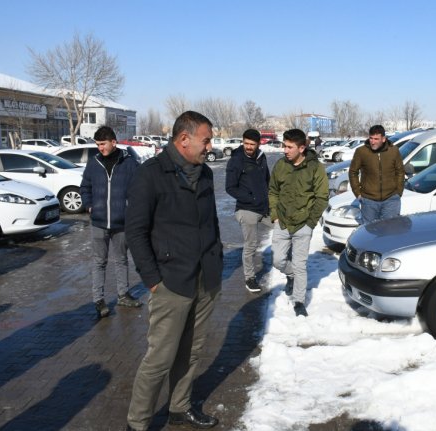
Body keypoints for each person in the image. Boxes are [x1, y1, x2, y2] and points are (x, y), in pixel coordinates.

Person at [125, 111, 223, 431]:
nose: (210, 146)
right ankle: (137, 423)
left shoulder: (205, 174)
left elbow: (211, 224)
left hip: (204, 278)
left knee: (192, 352)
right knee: (160, 359)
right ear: (184, 140)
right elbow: (136, 232)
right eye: (206, 140)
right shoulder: (150, 175)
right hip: (170, 282)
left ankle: (179, 408)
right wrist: (153, 280)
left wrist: (216, 262)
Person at [80, 125, 141, 318]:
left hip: (121, 223)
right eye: (97, 144)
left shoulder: (129, 164)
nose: (100, 148)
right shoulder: (93, 163)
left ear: (113, 142)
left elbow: (140, 189)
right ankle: (98, 300)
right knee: (99, 262)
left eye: (102, 144)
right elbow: (85, 187)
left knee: (122, 260)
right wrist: (89, 205)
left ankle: (123, 294)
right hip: (98, 223)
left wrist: (132, 210)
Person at [269, 128, 328, 317]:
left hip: (303, 224)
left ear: (301, 148)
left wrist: (311, 222)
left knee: (300, 264)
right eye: (283, 146)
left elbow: (322, 197)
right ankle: (291, 275)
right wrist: (275, 216)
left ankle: (299, 301)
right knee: (278, 260)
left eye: (289, 147)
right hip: (283, 222)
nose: (284, 150)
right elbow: (273, 191)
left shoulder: (315, 168)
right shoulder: (280, 165)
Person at [225, 128, 271, 293]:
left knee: (283, 229)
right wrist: (250, 198)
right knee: (251, 245)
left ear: (258, 144)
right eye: (246, 143)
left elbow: (267, 180)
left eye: (252, 144)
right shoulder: (236, 160)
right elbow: (230, 187)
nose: (249, 147)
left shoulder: (261, 157)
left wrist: (269, 200)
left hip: (264, 208)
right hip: (246, 209)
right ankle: (250, 278)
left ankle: (287, 266)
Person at [348, 124, 405, 225]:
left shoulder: (393, 151)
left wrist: (398, 192)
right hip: (369, 201)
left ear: (383, 139)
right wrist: (358, 193)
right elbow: (353, 172)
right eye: (371, 138)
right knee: (369, 234)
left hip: (391, 200)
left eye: (376, 139)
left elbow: (400, 171)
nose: (372, 142)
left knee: (391, 231)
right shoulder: (361, 152)